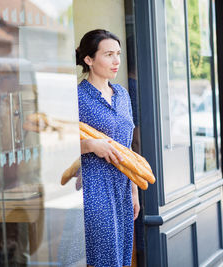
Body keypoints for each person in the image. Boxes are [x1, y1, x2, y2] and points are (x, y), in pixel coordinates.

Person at [76, 29, 140, 267]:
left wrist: (134, 191)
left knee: (122, 257)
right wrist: (90, 145)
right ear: (89, 59)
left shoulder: (122, 94)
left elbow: (128, 146)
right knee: (102, 258)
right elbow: (57, 145)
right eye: (109, 54)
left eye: (118, 54)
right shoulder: (76, 97)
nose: (116, 61)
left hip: (122, 186)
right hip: (93, 188)